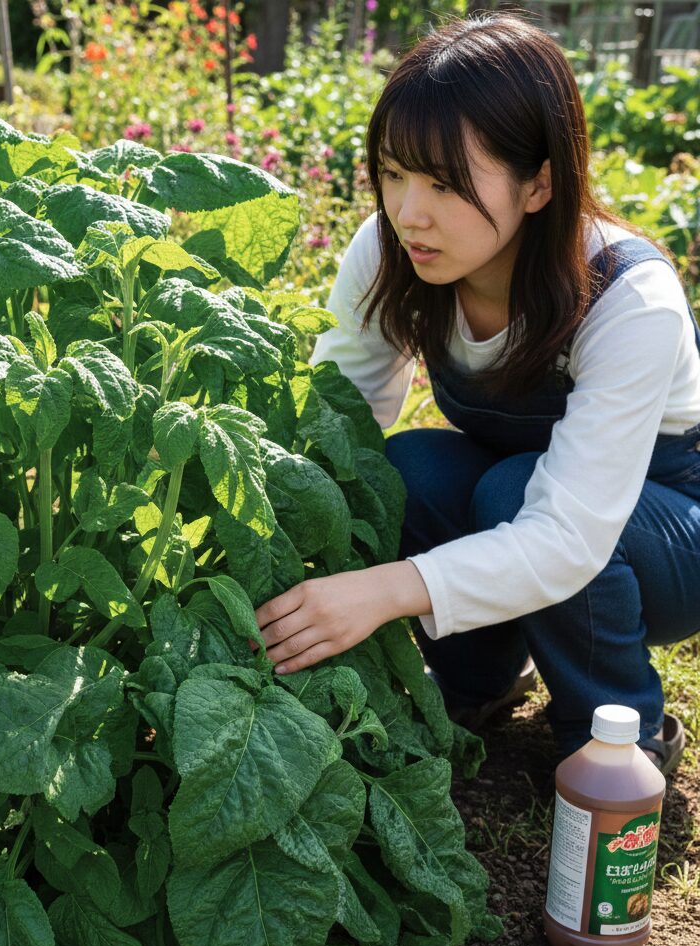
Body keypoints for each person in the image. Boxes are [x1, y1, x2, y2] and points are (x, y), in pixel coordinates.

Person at [254, 13, 700, 775]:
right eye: (393, 173)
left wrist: (381, 591)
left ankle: (618, 735)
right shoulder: (393, 250)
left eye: (444, 183)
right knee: (404, 471)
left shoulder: (630, 298)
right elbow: (339, 423)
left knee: (510, 490)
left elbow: (568, 535)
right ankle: (477, 685)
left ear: (540, 184)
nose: (408, 211)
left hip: (661, 536)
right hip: (525, 498)